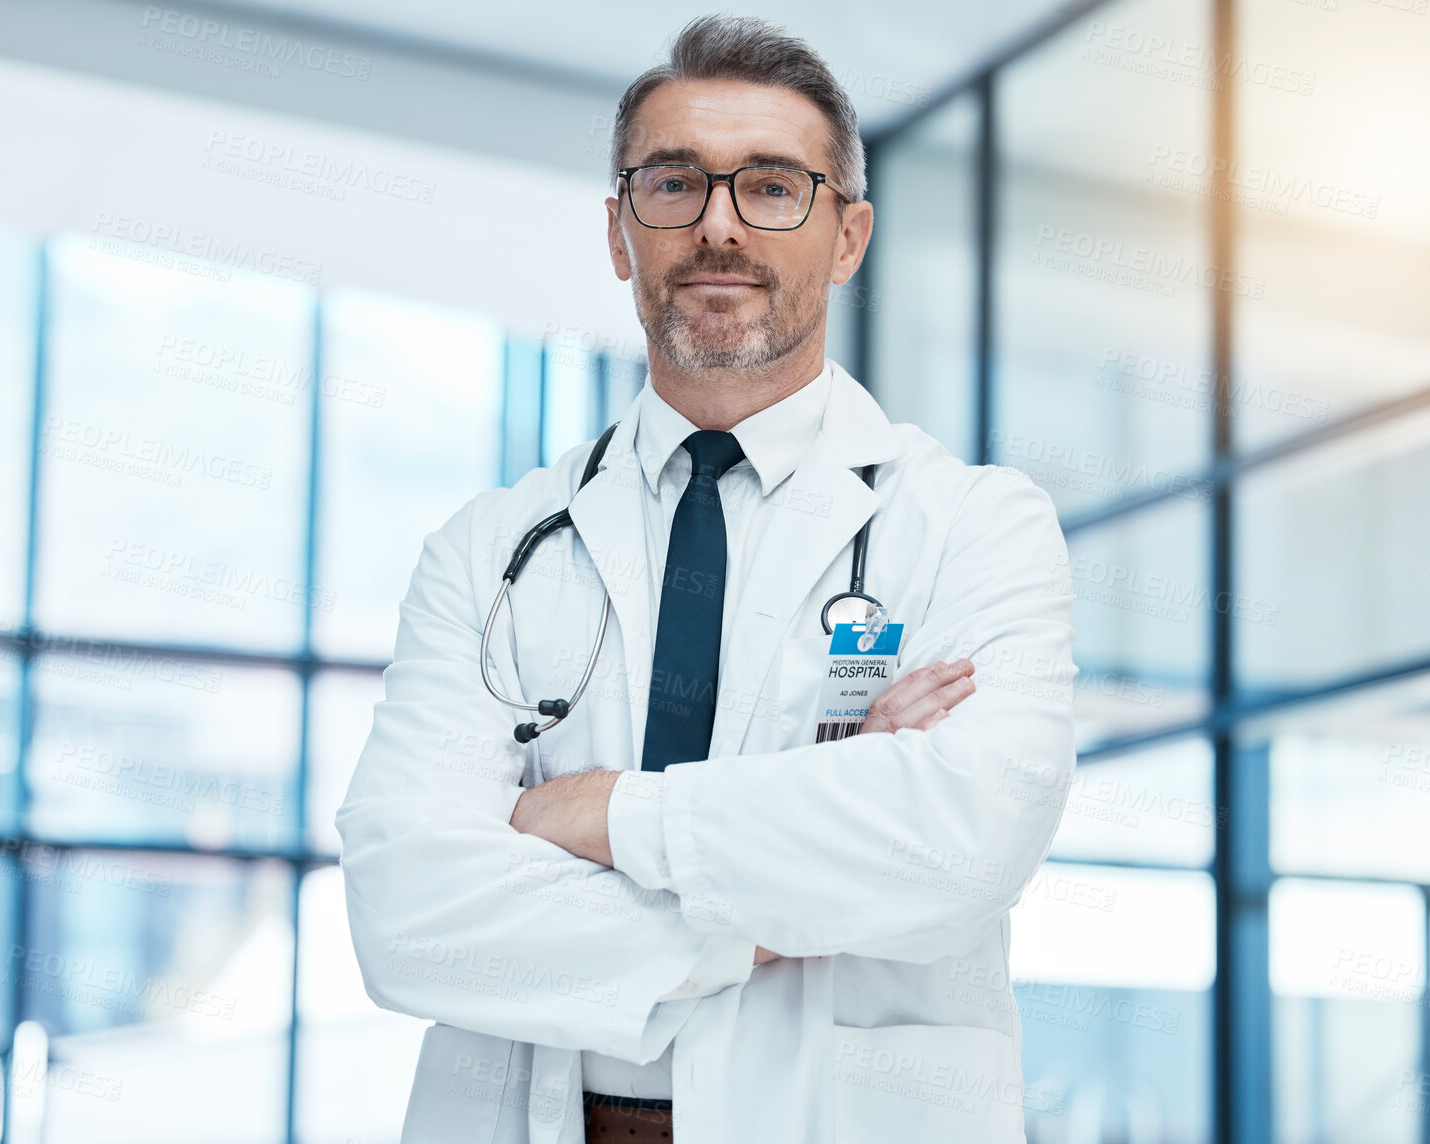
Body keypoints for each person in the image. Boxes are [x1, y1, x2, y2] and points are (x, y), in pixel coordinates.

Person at [335, 14, 1076, 1143]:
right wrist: (765, 914)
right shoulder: (489, 549)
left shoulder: (974, 526)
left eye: (773, 186)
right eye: (674, 183)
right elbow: (407, 911)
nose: (719, 225)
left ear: (848, 235)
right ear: (620, 231)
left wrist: (595, 813)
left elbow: (960, 841)